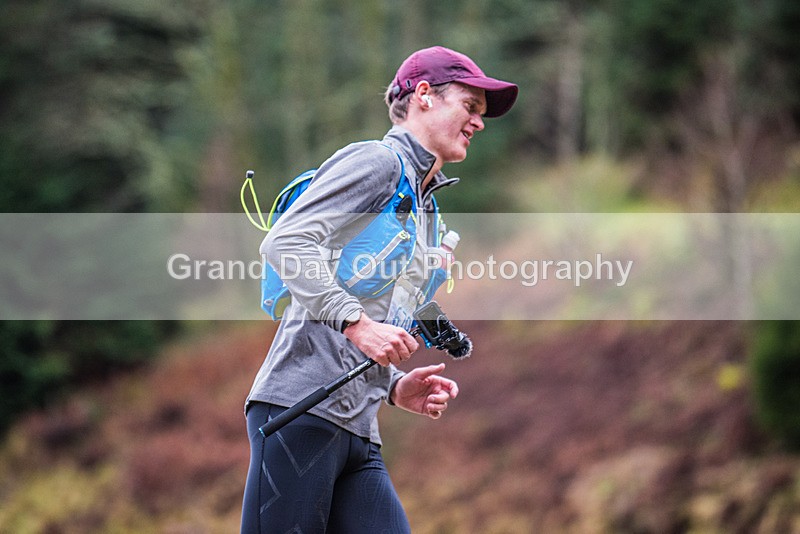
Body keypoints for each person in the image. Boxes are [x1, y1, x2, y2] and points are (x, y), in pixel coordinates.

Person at [241, 46, 518, 533]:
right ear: (424, 96)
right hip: (298, 411)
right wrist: (354, 322)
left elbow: (375, 311)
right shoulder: (377, 162)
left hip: (359, 428)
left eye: (481, 114)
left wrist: (393, 387)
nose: (478, 123)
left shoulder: (426, 208)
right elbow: (286, 242)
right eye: (470, 107)